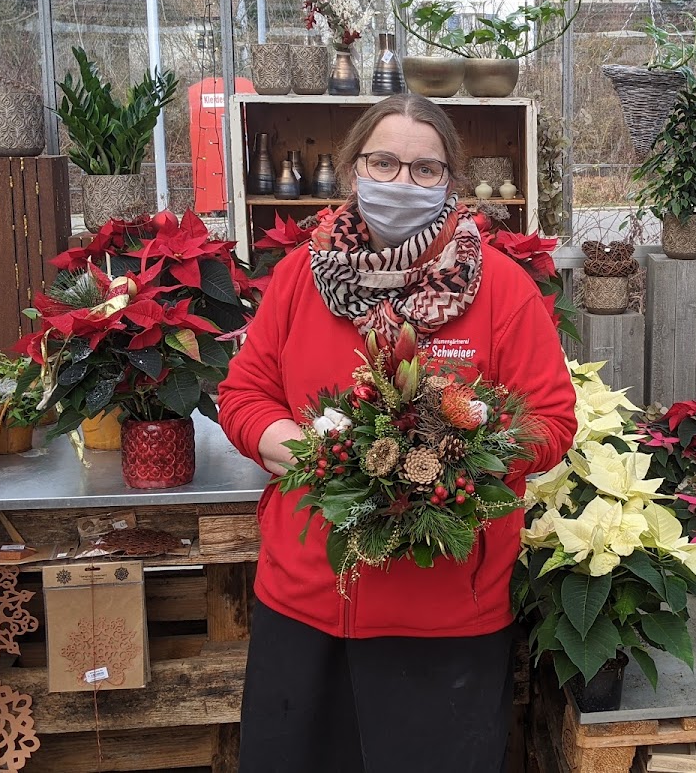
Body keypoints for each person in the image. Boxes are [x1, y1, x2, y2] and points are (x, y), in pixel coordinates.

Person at [219, 94, 577, 773]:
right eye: (383, 162)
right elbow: (244, 394)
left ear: (450, 181)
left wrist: (460, 455)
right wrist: (306, 452)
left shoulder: (500, 289)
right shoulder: (300, 278)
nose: (400, 182)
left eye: (424, 169)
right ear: (353, 169)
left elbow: (553, 420)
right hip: (308, 600)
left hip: (444, 614)